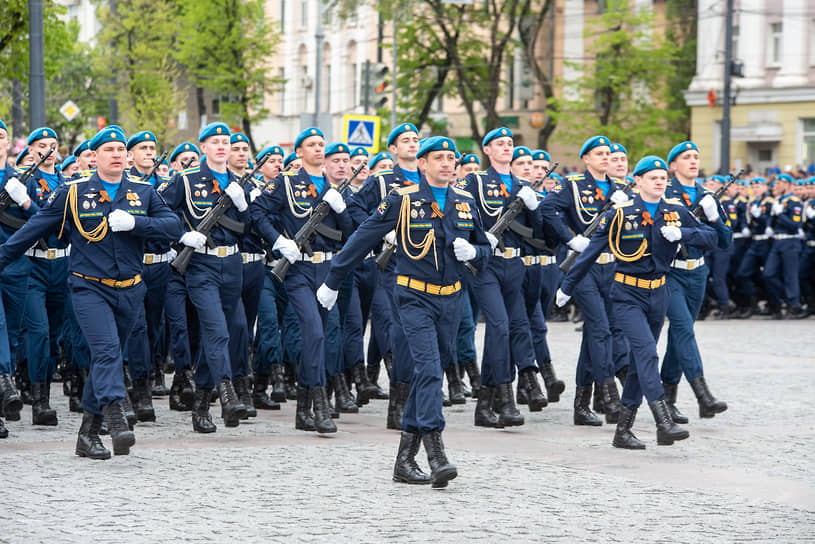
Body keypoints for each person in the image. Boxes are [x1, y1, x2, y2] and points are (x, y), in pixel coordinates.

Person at [317, 136, 491, 487]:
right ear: (423, 164)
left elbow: (485, 247)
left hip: (451, 300)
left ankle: (403, 459)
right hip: (414, 298)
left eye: (450, 158)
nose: (446, 163)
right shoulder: (402, 199)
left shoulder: (466, 202)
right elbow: (362, 238)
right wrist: (334, 279)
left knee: (430, 374)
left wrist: (474, 252)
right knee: (427, 370)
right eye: (438, 158)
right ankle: (435, 450)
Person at [0, 125, 182, 459]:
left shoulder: (143, 193)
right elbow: (33, 229)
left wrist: (137, 224)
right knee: (108, 351)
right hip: (88, 288)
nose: (115, 155)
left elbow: (173, 227)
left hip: (130, 290)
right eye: (108, 150)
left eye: (120, 150)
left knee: (105, 358)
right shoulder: (73, 192)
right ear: (94, 157)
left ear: (127, 157)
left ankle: (87, 434)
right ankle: (114, 415)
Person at [556, 156, 717, 448]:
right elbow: (591, 251)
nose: (659, 182)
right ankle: (663, 420)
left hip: (659, 293)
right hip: (627, 295)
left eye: (662, 178)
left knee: (638, 359)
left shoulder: (675, 211)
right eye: (652, 178)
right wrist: (567, 286)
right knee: (647, 354)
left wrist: (684, 233)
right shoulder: (620, 213)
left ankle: (623, 430)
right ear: (638, 181)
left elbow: (711, 238)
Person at [249, 127, 353, 434]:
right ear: (299, 152)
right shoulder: (285, 182)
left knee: (321, 336)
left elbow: (350, 232)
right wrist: (279, 241)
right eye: (312, 145)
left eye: (322, 144)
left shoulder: (335, 187)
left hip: (328, 272)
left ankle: (304, 409)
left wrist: (342, 208)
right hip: (298, 272)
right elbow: (257, 212)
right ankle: (320, 407)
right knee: (314, 333)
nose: (319, 149)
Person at [159, 122, 253, 432]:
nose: (222, 146)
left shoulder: (241, 183)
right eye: (215, 141)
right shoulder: (186, 180)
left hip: (233, 264)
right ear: (203, 147)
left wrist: (244, 205)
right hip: (200, 266)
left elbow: (251, 228)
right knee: (217, 330)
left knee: (228, 331)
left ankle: (200, 406)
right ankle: (227, 394)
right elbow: (160, 211)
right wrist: (182, 235)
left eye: (226, 141)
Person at [458, 127, 546, 427]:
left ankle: (485, 405)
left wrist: (534, 207)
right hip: (487, 265)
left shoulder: (523, 184)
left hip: (515, 266)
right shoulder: (476, 181)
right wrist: (477, 240)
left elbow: (538, 232)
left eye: (510, 143)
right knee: (499, 326)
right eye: (500, 144)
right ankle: (506, 401)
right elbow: (461, 213)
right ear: (487, 150)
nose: (507, 147)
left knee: (517, 328)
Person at [540, 135, 630, 426]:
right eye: (599, 153)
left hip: (612, 268)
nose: (606, 157)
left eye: (608, 153)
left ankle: (582, 404)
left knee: (600, 333)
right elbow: (547, 209)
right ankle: (609, 395)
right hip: (584, 267)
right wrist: (570, 238)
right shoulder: (573, 185)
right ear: (586, 159)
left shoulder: (619, 189)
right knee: (600, 329)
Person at [660, 141, 731, 421]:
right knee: (683, 328)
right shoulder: (664, 193)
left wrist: (714, 217)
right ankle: (703, 395)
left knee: (680, 334)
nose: (693, 161)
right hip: (671, 272)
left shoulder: (706, 195)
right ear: (673, 165)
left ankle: (667, 399)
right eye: (686, 157)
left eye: (696, 157)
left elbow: (724, 241)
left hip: (697, 272)